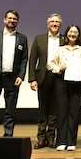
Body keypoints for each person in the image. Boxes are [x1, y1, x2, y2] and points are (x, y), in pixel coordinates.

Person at [0, 10, 28, 137]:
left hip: (12, 79)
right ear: (4, 19)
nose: (12, 20)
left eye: (14, 19)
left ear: (17, 22)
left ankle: (8, 135)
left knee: (10, 110)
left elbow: (24, 59)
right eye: (10, 18)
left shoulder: (22, 38)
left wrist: (21, 76)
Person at [28, 13, 65, 149]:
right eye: (52, 22)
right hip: (43, 77)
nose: (54, 24)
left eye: (57, 22)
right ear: (48, 24)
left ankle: (51, 138)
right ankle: (41, 138)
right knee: (43, 109)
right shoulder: (39, 39)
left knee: (54, 109)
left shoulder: (65, 39)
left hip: (59, 77)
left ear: (60, 24)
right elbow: (33, 60)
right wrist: (32, 79)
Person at [50, 24, 81, 151]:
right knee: (61, 111)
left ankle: (71, 141)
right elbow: (51, 65)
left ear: (78, 35)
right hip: (61, 81)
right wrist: (59, 68)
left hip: (76, 81)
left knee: (74, 111)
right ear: (67, 33)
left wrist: (80, 75)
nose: (73, 34)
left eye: (75, 32)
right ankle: (61, 141)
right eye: (71, 32)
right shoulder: (60, 49)